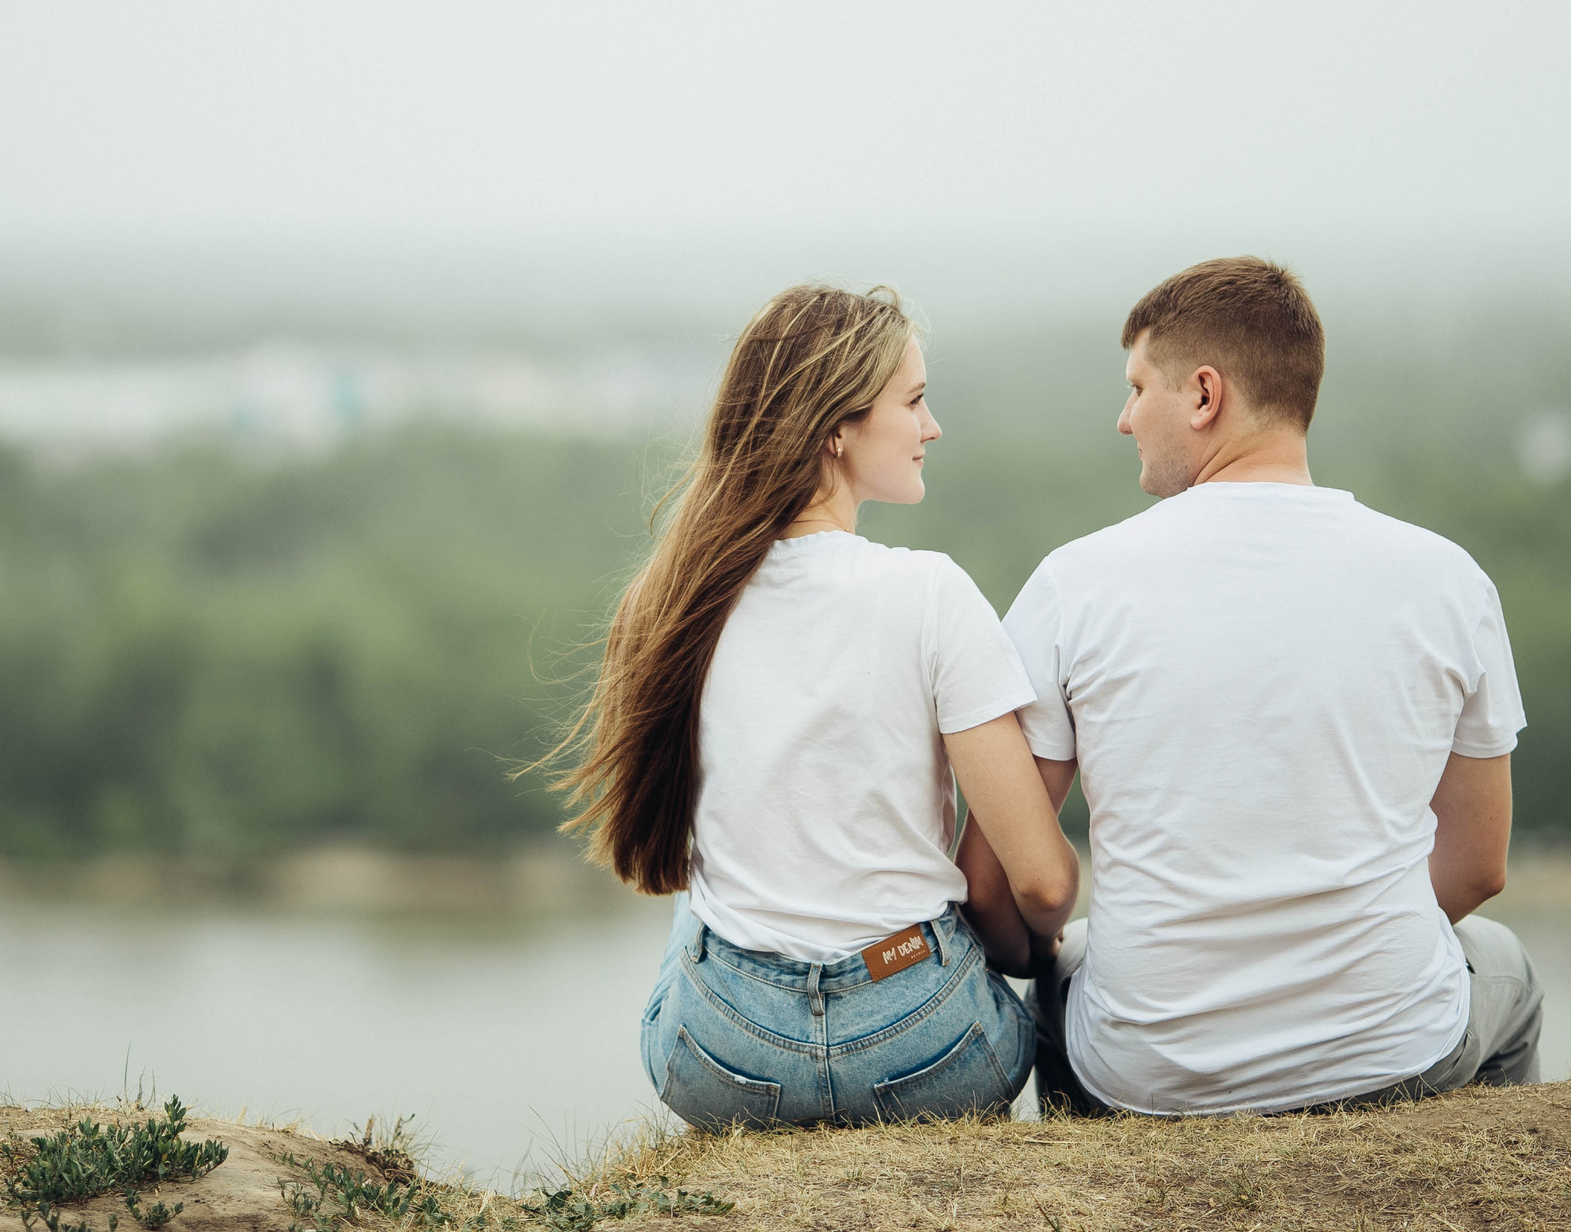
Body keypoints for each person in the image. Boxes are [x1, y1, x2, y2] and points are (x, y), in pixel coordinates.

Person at [963, 255, 1542, 1116]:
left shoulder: (1073, 583)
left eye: (1137, 388)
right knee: (1508, 969)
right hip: (1389, 1046)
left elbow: (992, 880)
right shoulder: (1449, 579)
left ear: (1204, 395)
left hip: (1148, 1071)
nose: (1124, 418)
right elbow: (1478, 867)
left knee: (1066, 972)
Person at [554, 283, 1078, 1128]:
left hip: (724, 1057)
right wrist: (1033, 948)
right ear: (836, 429)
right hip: (923, 1045)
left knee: (700, 906)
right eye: (913, 400)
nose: (932, 426)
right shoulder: (931, 593)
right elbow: (1043, 879)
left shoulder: (680, 596)